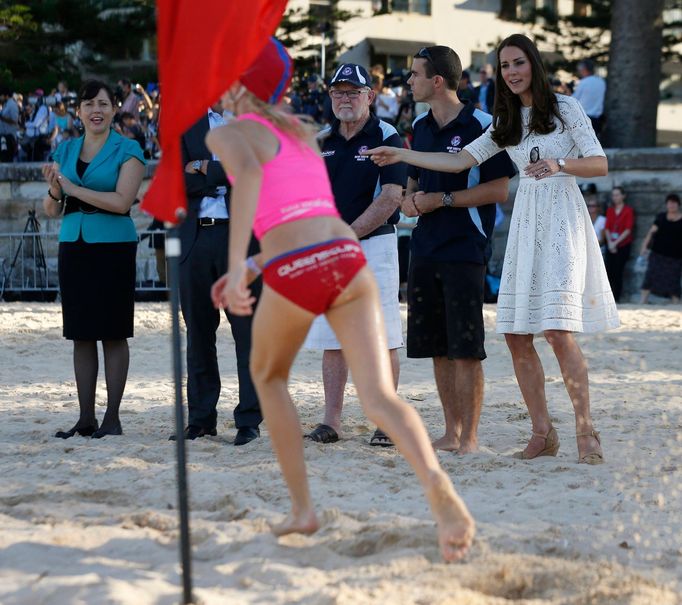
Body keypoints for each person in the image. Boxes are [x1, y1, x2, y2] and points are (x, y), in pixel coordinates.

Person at [207, 38, 475, 560]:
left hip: (305, 264)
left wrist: (241, 263)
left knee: (268, 376)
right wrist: (261, 261)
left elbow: (249, 191)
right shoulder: (302, 132)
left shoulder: (235, 133)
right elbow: (302, 208)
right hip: (346, 257)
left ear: (239, 85)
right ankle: (443, 498)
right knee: (380, 397)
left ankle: (303, 509)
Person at [366, 34, 619, 464]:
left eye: (518, 63)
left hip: (562, 218)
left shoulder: (566, 108)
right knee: (517, 335)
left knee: (558, 332)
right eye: (504, 66)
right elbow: (459, 161)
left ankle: (586, 431)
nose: (512, 72)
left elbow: (600, 164)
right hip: (525, 222)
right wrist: (401, 154)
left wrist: (560, 164)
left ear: (533, 64)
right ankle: (543, 433)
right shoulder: (503, 120)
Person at [399, 46, 515, 454]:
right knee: (437, 347)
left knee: (465, 349)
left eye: (414, 74)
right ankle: (451, 432)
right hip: (425, 245)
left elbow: (499, 190)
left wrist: (442, 200)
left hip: (465, 247)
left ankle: (470, 438)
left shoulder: (484, 124)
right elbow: (414, 178)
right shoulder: (420, 124)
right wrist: (410, 200)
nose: (408, 81)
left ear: (437, 81)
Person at [302, 62, 405, 447]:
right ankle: (332, 421)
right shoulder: (321, 140)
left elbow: (391, 197)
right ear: (330, 97)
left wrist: (347, 234)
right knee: (333, 337)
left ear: (370, 97)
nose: (345, 98)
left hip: (374, 245)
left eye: (353, 92)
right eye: (338, 92)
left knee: (384, 335)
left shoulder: (386, 135)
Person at [42, 79, 145, 439]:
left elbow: (121, 202)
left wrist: (72, 189)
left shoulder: (128, 149)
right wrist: (56, 189)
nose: (95, 111)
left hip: (113, 246)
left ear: (115, 108)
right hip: (74, 244)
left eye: (102, 104)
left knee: (113, 333)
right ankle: (85, 418)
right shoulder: (65, 149)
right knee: (81, 334)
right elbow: (52, 209)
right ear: (79, 111)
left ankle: (112, 419)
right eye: (88, 105)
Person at [171, 105, 263, 444]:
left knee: (247, 333)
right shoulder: (186, 119)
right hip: (195, 236)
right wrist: (225, 172)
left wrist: (203, 168)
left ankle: (249, 420)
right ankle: (200, 418)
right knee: (197, 332)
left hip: (240, 237)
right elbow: (176, 177)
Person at [639, 193, 682, 304]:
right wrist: (644, 246)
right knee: (649, 277)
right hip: (657, 254)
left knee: (674, 281)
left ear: (678, 204)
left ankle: (675, 303)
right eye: (669, 203)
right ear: (666, 204)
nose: (671, 205)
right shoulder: (661, 217)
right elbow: (651, 233)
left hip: (675, 257)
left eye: (674, 203)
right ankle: (643, 301)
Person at [604, 186, 635, 302]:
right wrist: (610, 243)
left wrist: (615, 243)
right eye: (613, 195)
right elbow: (607, 228)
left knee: (618, 272)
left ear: (623, 196)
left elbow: (628, 229)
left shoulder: (628, 210)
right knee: (609, 271)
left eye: (617, 194)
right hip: (610, 244)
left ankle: (616, 298)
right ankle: (608, 298)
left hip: (622, 245)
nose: (615, 197)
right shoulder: (610, 210)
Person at [572, 59, 606, 137]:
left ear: (584, 69)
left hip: (583, 118)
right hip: (597, 119)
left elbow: (573, 100)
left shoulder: (583, 82)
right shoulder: (601, 81)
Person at [0, 86, 20, 162]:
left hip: (9, 137)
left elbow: (15, 121)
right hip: (4, 137)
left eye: (1, 96)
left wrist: (2, 118)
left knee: (7, 159)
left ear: (6, 95)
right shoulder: (6, 104)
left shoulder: (12, 105)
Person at [583, 183, 606, 250]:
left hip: (599, 248)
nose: (591, 208)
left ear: (598, 208)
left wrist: (592, 245)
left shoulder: (602, 220)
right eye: (589, 206)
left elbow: (602, 239)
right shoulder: (584, 219)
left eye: (593, 206)